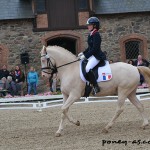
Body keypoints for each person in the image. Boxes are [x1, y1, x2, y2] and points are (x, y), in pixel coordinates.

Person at [78, 16, 106, 94]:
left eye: (89, 25)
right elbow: (90, 47)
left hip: (97, 56)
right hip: (92, 55)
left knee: (87, 68)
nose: (88, 26)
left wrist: (86, 56)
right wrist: (83, 53)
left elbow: (95, 49)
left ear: (94, 25)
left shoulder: (96, 34)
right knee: (82, 64)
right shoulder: (91, 34)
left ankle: (96, 86)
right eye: (88, 25)